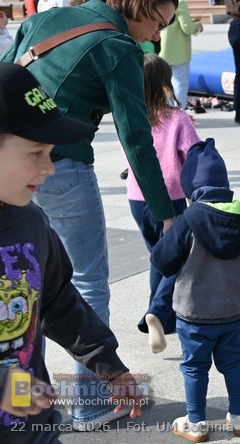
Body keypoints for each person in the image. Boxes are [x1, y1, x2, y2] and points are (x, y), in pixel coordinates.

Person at [1, 0, 179, 431]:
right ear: (139, 7)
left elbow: (6, 74)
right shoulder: (120, 50)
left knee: (32, 281)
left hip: (13, 166)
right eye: (159, 23)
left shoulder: (53, 15)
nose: (157, 36)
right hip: (65, 167)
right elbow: (136, 138)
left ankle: (25, 399)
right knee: (86, 281)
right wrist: (165, 211)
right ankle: (91, 402)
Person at [0, 62, 144, 442]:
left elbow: (59, 300)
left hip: (34, 427)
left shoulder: (31, 222)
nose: (48, 168)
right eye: (36, 152)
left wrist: (108, 364)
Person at [151, 138, 240, 442]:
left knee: (195, 368)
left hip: (195, 313)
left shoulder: (189, 219)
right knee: (233, 363)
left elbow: (162, 260)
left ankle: (196, 423)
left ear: (191, 189)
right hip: (232, 310)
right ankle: (239, 418)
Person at [122, 54, 201, 353]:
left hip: (136, 196)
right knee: (178, 257)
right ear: (165, 82)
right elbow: (193, 158)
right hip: (171, 197)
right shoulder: (178, 119)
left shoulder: (130, 114)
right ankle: (157, 311)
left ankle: (160, 317)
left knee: (157, 255)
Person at [159, 0, 204, 111]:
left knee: (164, 85)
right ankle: (179, 114)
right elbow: (186, 28)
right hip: (179, 51)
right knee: (180, 83)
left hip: (162, 49)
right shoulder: (180, 2)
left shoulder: (160, 1)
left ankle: (165, 112)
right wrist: (197, 25)